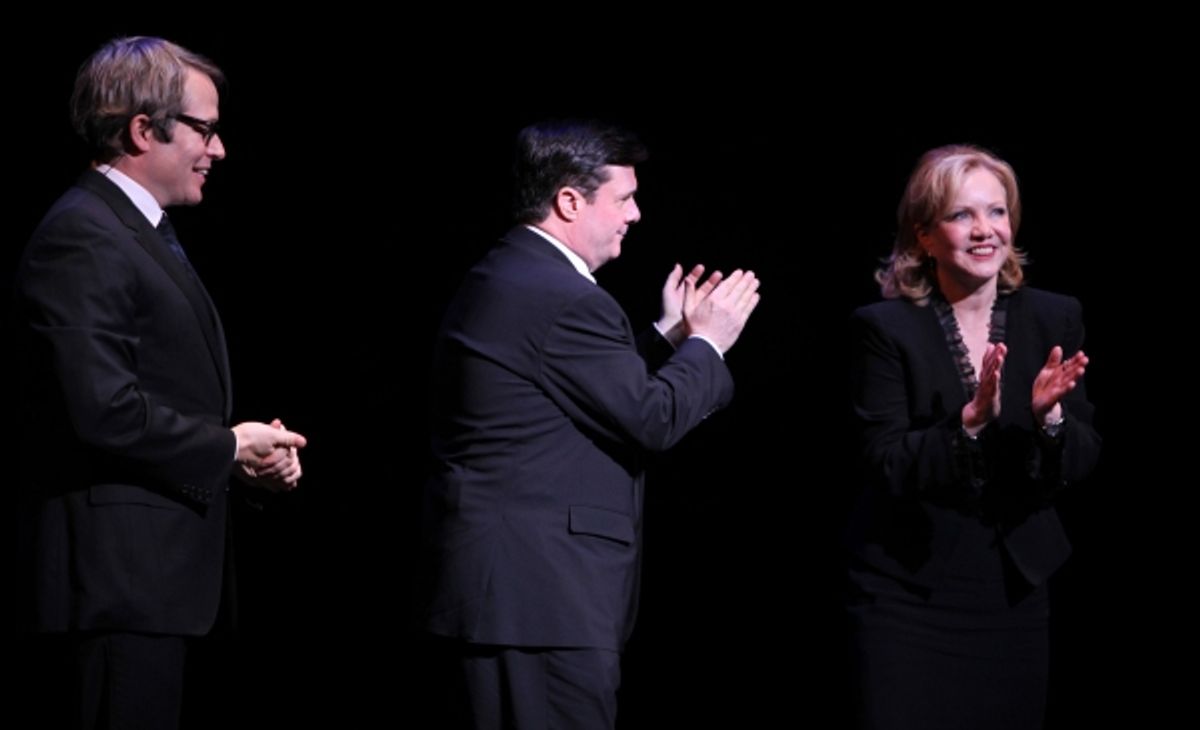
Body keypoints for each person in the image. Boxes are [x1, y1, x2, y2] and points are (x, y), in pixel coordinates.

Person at [418, 120, 761, 729]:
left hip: (516, 601)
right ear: (570, 201)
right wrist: (709, 343)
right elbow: (651, 419)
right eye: (624, 198)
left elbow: (578, 388)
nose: (636, 213)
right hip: (540, 604)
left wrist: (666, 338)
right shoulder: (565, 297)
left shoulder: (515, 274)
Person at [13, 36, 306, 729]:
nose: (220, 149)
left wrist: (241, 460)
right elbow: (102, 409)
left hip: (161, 584)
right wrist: (227, 445)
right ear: (143, 130)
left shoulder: (137, 232)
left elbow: (159, 392)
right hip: (119, 586)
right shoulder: (84, 235)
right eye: (204, 129)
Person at [845, 144, 1102, 729]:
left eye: (997, 212)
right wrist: (970, 422)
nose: (985, 230)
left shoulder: (1054, 317)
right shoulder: (883, 328)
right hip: (906, 592)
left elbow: (1084, 457)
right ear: (924, 236)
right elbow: (883, 461)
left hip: (1014, 593)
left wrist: (1049, 420)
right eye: (962, 215)